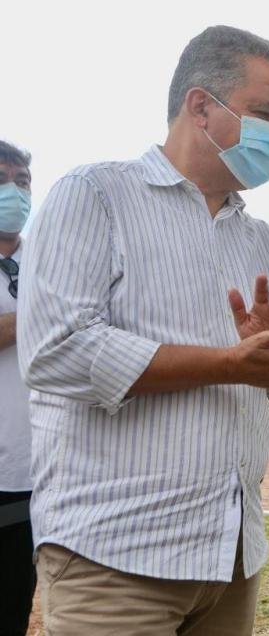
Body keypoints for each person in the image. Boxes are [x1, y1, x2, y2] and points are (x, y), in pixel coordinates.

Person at [17, 26, 269, 635]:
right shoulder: (94, 196)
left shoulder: (258, 237)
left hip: (231, 557)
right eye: (265, 113)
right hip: (116, 559)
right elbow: (58, 351)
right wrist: (230, 362)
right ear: (200, 107)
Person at [0, 140, 34, 636]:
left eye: (23, 182)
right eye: (2, 180)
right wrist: (37, 314)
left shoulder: (49, 259)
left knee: (13, 608)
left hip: (38, 474)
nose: (14, 192)